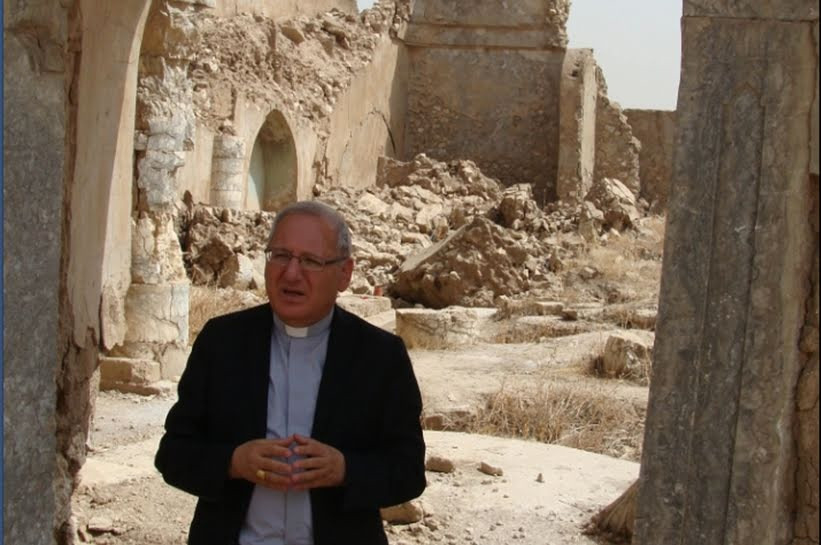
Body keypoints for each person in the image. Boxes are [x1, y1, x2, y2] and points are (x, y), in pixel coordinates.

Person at [155, 201, 427, 545]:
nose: (291, 274)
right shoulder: (222, 342)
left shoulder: (380, 356)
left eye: (310, 261)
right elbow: (174, 454)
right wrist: (234, 462)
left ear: (344, 274)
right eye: (281, 256)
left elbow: (408, 471)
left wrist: (345, 469)